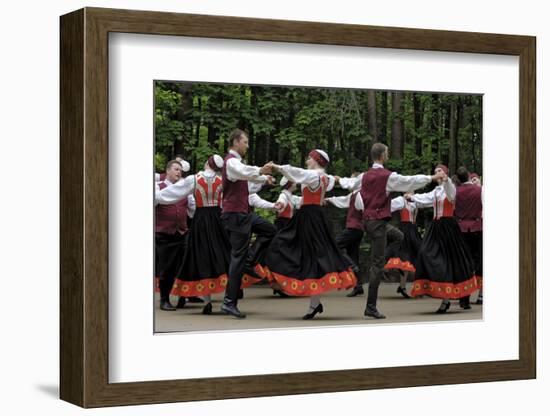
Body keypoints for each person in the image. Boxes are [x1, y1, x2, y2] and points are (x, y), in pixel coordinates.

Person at [337, 142, 442, 319]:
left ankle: (384, 260)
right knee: (376, 265)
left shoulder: (364, 176)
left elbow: (350, 183)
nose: (388, 155)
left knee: (399, 236)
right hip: (377, 223)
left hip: (371, 222)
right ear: (382, 156)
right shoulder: (387, 176)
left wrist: (338, 180)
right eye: (386, 153)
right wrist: (431, 178)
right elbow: (408, 180)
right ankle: (370, 306)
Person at [264, 149, 357, 319]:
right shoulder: (325, 178)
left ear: (316, 160)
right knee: (313, 256)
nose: (307, 160)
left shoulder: (313, 175)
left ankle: (313, 303)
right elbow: (339, 182)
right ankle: (315, 304)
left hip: (309, 217)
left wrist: (277, 167)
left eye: (309, 158)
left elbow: (296, 173)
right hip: (314, 215)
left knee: (292, 247)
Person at [220, 129, 276, 318]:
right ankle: (229, 302)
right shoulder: (231, 162)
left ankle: (249, 261)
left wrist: (263, 178)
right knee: (237, 258)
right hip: (235, 215)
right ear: (235, 142)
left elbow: (247, 181)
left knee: (268, 230)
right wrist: (261, 170)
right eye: (245, 141)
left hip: (241, 214)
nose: (247, 145)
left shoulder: (236, 164)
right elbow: (244, 171)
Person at [408, 165, 478, 313]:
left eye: (439, 171)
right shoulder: (435, 191)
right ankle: (436, 288)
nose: (437, 173)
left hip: (448, 227)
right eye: (435, 172)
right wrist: (412, 197)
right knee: (425, 252)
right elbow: (424, 199)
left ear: (445, 173)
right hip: (436, 227)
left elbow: (451, 194)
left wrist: (446, 181)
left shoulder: (450, 187)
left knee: (448, 261)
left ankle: (445, 300)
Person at [154, 160, 191, 311]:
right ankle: (164, 299)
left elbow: (192, 209)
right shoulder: (158, 187)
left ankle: (183, 296)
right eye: (176, 169)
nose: (179, 172)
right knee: (166, 268)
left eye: (180, 170)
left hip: (182, 233)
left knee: (184, 266)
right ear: (167, 171)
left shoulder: (184, 190)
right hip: (164, 234)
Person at [324, 190, 365, 297]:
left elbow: (363, 207)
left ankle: (353, 267)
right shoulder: (353, 194)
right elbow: (343, 200)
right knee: (353, 255)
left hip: (353, 229)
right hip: (357, 229)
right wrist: (329, 199)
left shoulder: (359, 194)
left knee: (334, 245)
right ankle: (358, 286)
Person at [454, 166, 483, 306]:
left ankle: (464, 297)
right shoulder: (480, 191)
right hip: (477, 228)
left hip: (460, 229)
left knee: (463, 261)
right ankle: (480, 293)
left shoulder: (456, 192)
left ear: (459, 179)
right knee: (477, 261)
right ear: (469, 176)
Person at [384, 195, 422, 299]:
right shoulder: (401, 201)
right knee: (405, 259)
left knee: (418, 257)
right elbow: (389, 206)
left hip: (413, 231)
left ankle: (415, 287)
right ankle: (403, 286)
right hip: (405, 230)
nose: (411, 191)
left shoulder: (416, 200)